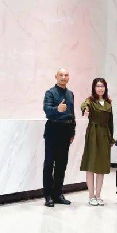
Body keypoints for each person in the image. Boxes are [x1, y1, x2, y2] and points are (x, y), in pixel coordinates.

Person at [43, 68, 76, 208]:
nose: (63, 77)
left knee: (62, 164)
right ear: (56, 77)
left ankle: (58, 194)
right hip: (53, 130)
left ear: (68, 77)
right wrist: (57, 109)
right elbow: (46, 110)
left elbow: (72, 113)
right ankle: (48, 196)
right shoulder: (50, 93)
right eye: (61, 75)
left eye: (66, 75)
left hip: (66, 131)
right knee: (49, 164)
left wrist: (72, 132)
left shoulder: (70, 94)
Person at [80, 78, 115, 207]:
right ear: (94, 88)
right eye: (98, 86)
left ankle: (98, 195)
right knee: (91, 165)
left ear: (105, 88)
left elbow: (110, 123)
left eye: (102, 86)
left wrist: (111, 138)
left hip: (105, 136)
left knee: (101, 166)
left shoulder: (108, 103)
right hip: (93, 135)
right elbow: (84, 105)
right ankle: (91, 196)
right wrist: (85, 110)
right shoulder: (90, 101)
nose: (100, 88)